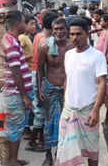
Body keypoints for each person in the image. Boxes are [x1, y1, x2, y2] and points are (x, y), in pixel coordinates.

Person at [56, 18, 107, 166]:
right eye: (71, 34)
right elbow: (68, 79)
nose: (74, 38)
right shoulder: (68, 55)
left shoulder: (97, 56)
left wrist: (96, 110)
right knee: (65, 149)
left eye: (78, 34)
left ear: (87, 33)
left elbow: (101, 83)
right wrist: (66, 101)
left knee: (92, 151)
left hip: (88, 110)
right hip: (69, 110)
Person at [38, 18, 73, 166]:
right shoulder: (45, 47)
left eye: (62, 29)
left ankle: (60, 153)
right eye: (56, 29)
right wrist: (40, 88)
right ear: (52, 30)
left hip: (67, 91)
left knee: (65, 124)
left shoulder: (72, 47)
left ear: (67, 29)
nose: (59, 32)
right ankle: (48, 155)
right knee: (48, 123)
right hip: (50, 88)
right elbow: (39, 70)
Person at [1, 11, 33, 166]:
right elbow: (16, 72)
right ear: (18, 23)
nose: (25, 25)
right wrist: (25, 96)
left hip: (13, 93)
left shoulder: (10, 40)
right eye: (24, 22)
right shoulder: (12, 43)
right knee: (15, 128)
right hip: (15, 94)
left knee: (14, 127)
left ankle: (12, 158)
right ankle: (12, 161)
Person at [26, 11, 58, 152]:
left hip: (36, 74)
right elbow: (43, 65)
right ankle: (36, 141)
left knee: (41, 110)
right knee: (42, 111)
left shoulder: (39, 36)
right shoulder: (46, 39)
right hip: (40, 76)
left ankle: (37, 140)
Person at [18, 15, 37, 136]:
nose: (34, 26)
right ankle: (25, 127)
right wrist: (29, 57)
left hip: (29, 72)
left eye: (35, 24)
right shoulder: (22, 38)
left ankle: (27, 125)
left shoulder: (28, 37)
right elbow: (16, 56)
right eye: (32, 24)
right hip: (26, 73)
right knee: (27, 101)